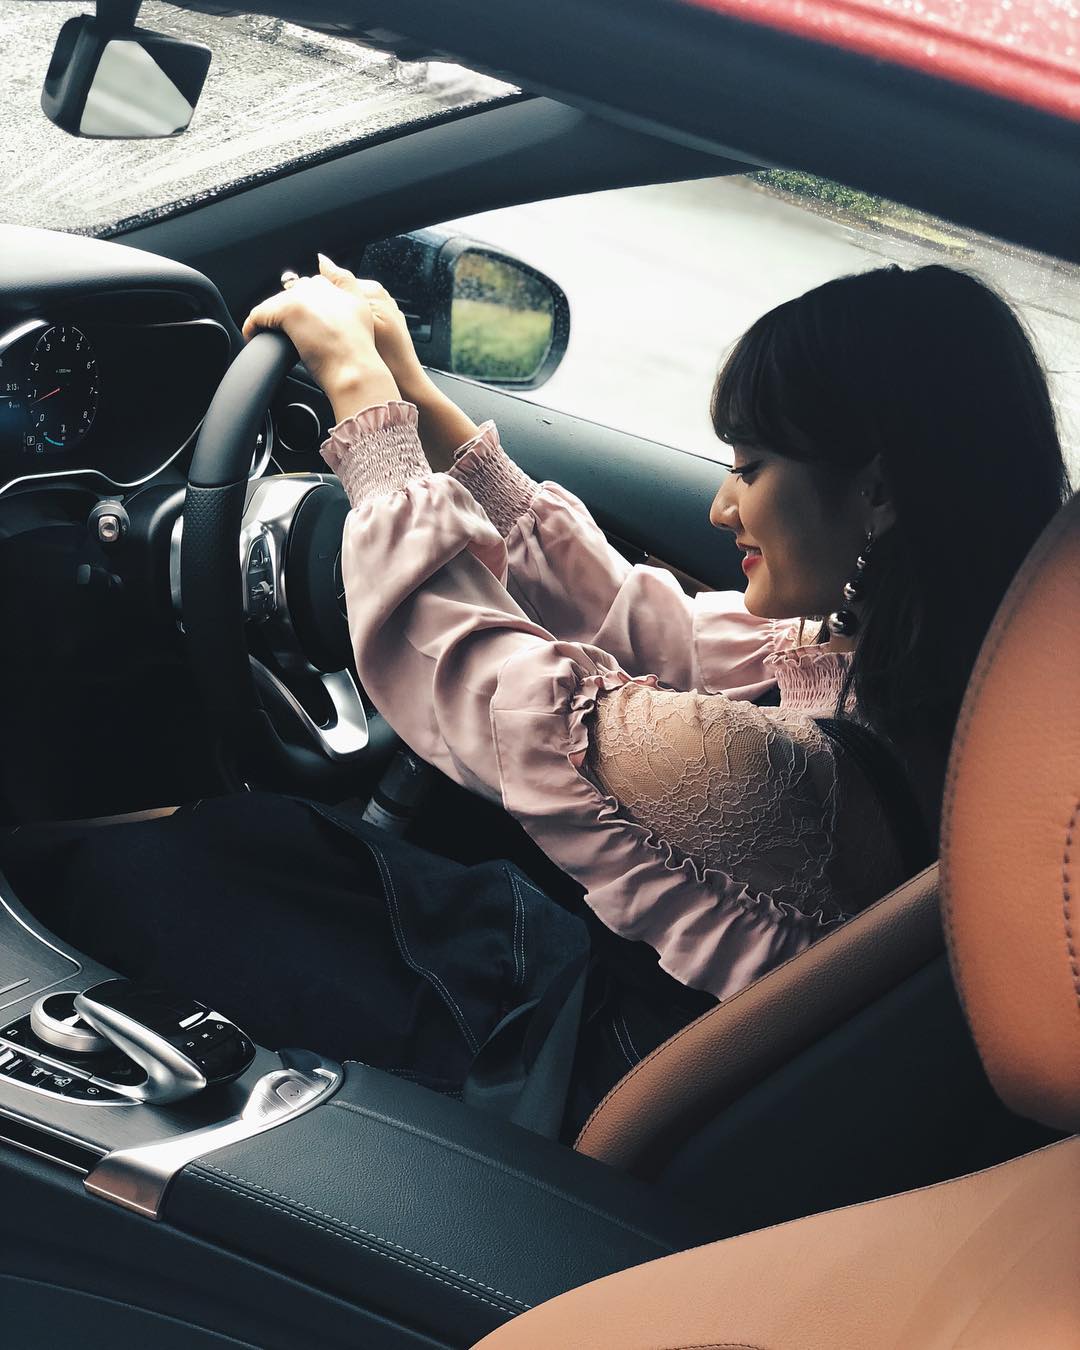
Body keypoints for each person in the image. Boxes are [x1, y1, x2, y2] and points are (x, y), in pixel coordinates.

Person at [2, 260, 1070, 1133]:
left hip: (574, 1085)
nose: (720, 505)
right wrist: (414, 394)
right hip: (604, 1002)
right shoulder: (913, 679)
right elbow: (636, 622)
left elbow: (487, 685)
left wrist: (363, 409)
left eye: (749, 467)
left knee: (142, 880)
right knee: (254, 839)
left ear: (875, 491)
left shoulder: (807, 791)